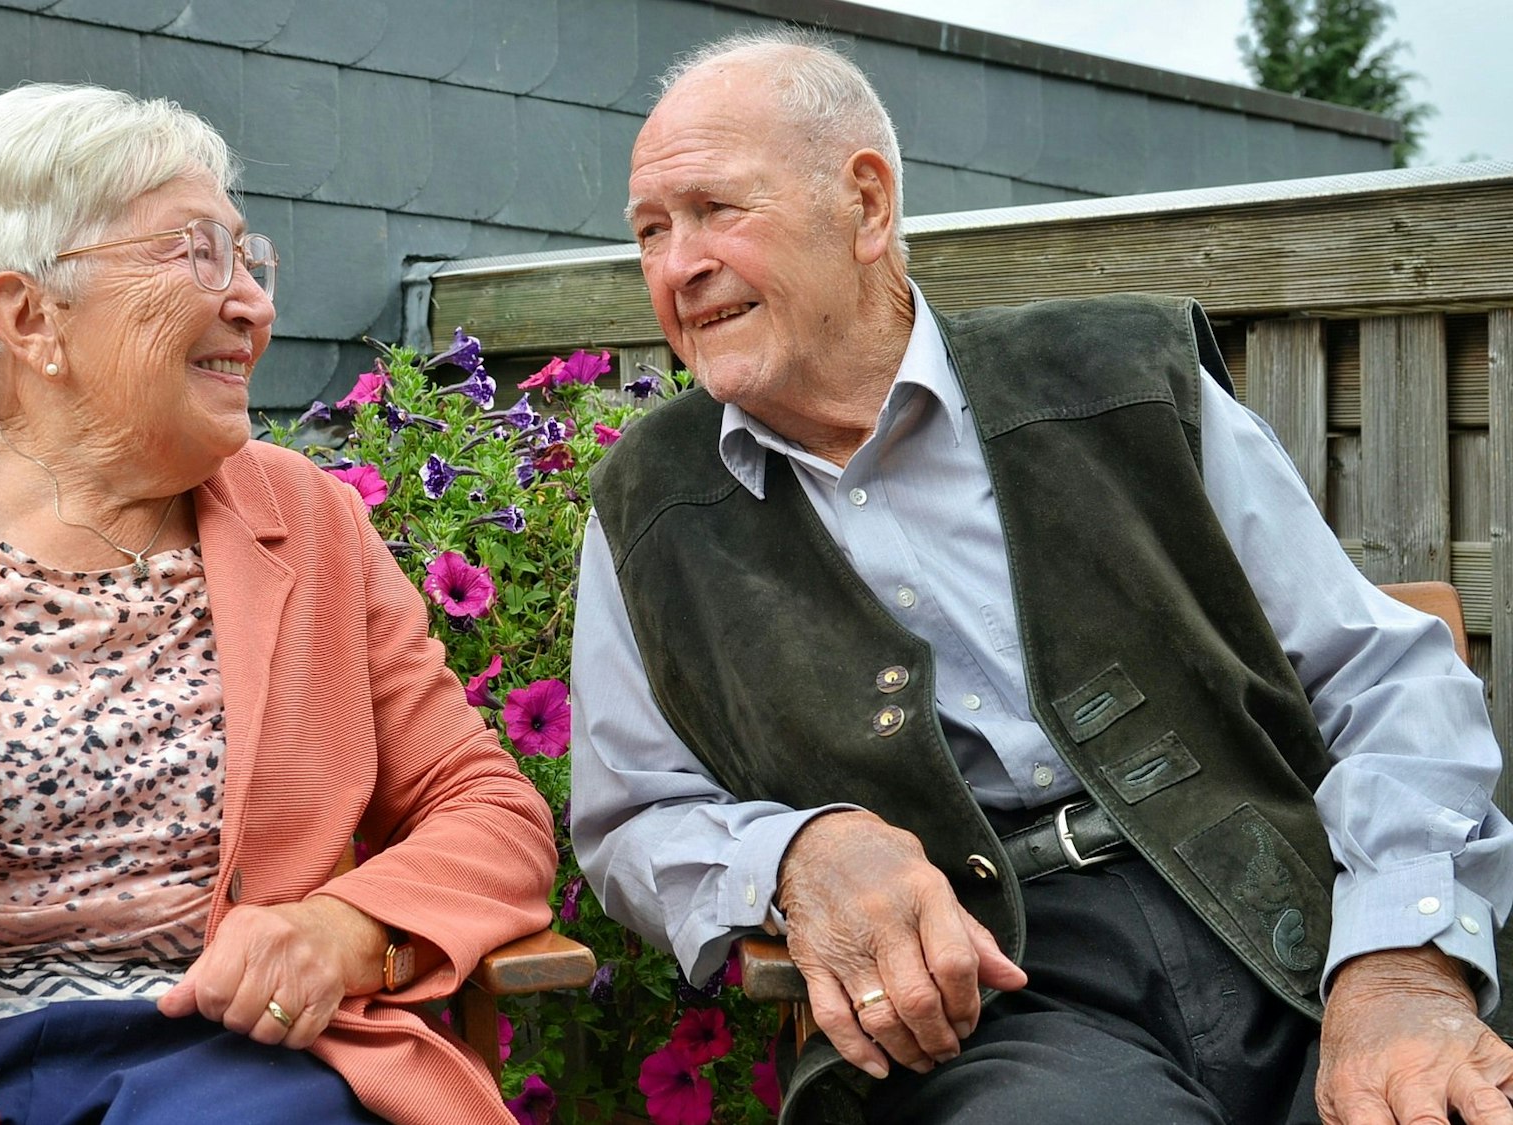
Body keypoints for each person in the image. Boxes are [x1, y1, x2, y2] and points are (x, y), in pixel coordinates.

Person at [570, 28, 1513, 1125]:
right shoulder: (651, 507)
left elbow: (1382, 679)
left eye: (715, 211)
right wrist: (795, 852)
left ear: (865, 207)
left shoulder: (1120, 385)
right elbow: (631, 815)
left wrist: (1400, 966)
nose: (676, 265)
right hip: (996, 998)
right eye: (650, 232)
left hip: (1283, 890)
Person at [0, 83, 556, 1125]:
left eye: (247, 256)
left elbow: (488, 811)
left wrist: (347, 929)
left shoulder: (309, 523)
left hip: (222, 1060)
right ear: (29, 318)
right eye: (195, 254)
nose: (251, 300)